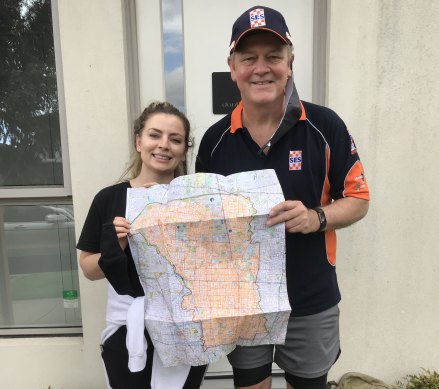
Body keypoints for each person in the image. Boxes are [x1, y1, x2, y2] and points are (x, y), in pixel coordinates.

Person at [196, 6, 370, 389]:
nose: (262, 68)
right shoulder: (214, 140)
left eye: (273, 56)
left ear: (289, 63)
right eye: (249, 58)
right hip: (244, 301)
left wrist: (316, 217)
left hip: (311, 299)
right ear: (233, 67)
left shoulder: (325, 125)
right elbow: (205, 222)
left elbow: (358, 198)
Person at [77, 101, 207, 389]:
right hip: (127, 327)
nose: (164, 145)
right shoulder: (109, 199)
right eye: (154, 135)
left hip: (185, 325)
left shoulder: (197, 201)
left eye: (175, 139)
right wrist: (116, 246)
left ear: (184, 148)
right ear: (139, 141)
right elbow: (88, 269)